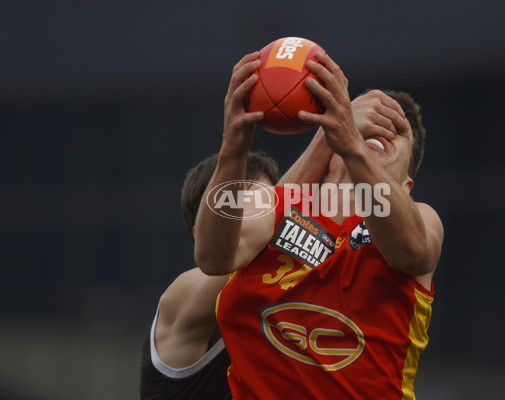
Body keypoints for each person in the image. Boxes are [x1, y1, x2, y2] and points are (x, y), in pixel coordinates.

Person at [195, 50, 444, 399]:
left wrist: (353, 144)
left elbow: (414, 251)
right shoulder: (281, 207)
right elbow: (212, 257)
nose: (379, 125)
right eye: (364, 117)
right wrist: (234, 148)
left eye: (397, 129)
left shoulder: (421, 219)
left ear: (406, 188)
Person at [139, 151, 279, 400]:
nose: (272, 217)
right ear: (203, 232)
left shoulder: (281, 297)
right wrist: (330, 137)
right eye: (253, 205)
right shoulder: (182, 294)